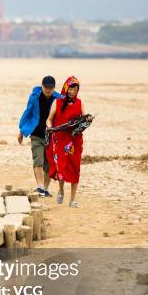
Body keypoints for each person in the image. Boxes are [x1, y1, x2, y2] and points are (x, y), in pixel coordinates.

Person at [45, 76, 91, 208]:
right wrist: (50, 128)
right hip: (60, 140)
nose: (73, 91)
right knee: (62, 168)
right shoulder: (57, 102)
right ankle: (61, 190)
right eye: (71, 88)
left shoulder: (80, 103)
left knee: (75, 168)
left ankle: (72, 200)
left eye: (75, 89)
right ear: (66, 88)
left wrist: (87, 119)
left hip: (75, 140)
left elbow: (84, 119)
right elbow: (49, 119)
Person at [18, 75, 61, 197]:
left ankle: (45, 189)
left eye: (51, 88)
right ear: (42, 86)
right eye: (46, 87)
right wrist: (21, 131)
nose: (48, 90)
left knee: (49, 164)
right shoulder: (34, 97)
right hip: (36, 134)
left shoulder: (58, 99)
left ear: (54, 88)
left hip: (51, 137)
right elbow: (27, 113)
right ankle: (40, 186)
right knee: (38, 160)